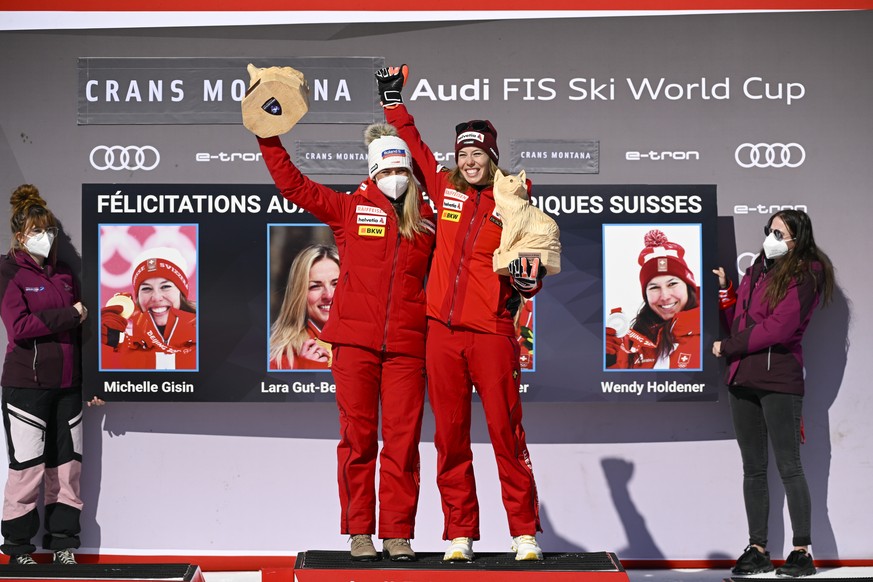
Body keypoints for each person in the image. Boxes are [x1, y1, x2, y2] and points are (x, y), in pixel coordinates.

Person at [377, 65, 546, 562]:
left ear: (492, 158)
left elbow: (536, 252)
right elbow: (417, 146)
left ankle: (524, 533)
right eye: (464, 155)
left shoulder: (513, 197)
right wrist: (392, 102)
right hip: (441, 333)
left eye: (477, 155)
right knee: (449, 437)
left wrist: (529, 279)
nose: (469, 162)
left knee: (505, 433)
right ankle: (459, 534)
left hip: (491, 331)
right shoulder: (444, 187)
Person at [256, 119, 435, 562]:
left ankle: (398, 533)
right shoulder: (349, 209)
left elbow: (445, 189)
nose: (394, 180)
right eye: (385, 172)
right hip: (354, 344)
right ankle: (359, 531)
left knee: (403, 441)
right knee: (358, 439)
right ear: (372, 173)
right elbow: (294, 186)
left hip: (408, 347)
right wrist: (267, 136)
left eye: (401, 172)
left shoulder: (427, 221)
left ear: (410, 174)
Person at [712, 209, 834, 578]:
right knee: (753, 469)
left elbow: (779, 329)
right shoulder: (756, 271)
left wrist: (729, 347)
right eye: (770, 230)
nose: (772, 237)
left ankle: (802, 551)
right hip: (743, 378)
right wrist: (726, 294)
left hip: (779, 380)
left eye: (780, 233)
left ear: (798, 238)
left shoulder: (807, 273)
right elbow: (741, 322)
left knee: (789, 467)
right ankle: (757, 549)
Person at [0, 184, 99, 565]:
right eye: (39, 231)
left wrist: (89, 384)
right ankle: (19, 549)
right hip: (26, 387)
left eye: (50, 231)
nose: (46, 238)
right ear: (21, 235)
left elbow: (81, 334)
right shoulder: (8, 271)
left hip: (67, 386)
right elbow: (20, 326)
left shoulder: (63, 274)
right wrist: (71, 314)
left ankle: (63, 545)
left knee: (67, 470)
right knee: (27, 469)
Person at [606, 229, 701, 370]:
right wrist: (605, 358)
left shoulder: (709, 328)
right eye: (654, 287)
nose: (665, 296)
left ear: (688, 286)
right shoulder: (635, 341)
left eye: (672, 284)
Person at [100, 247, 197, 370]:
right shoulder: (124, 338)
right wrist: (104, 342)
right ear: (138, 297)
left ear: (181, 292)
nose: (156, 297)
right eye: (146, 289)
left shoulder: (206, 334)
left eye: (165, 286)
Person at [269, 244, 339, 370]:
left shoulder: (373, 347)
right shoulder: (281, 362)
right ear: (299, 294)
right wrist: (309, 369)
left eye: (336, 284)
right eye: (315, 286)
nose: (329, 295)